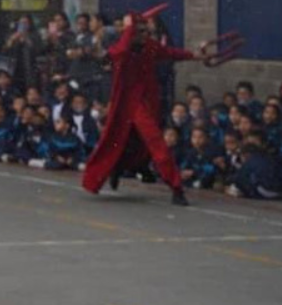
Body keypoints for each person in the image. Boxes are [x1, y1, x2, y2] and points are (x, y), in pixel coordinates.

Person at [81, 11, 206, 206]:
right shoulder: (120, 50)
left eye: (143, 30)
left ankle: (170, 185)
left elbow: (172, 53)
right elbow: (119, 51)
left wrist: (194, 55)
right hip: (127, 104)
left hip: (145, 104)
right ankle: (170, 184)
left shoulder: (149, 47)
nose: (144, 34)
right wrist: (130, 28)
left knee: (143, 143)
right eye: (138, 30)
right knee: (130, 142)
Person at [4, 16, 43, 95]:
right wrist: (12, 39)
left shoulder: (35, 36)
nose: (23, 25)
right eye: (21, 23)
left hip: (29, 71)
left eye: (25, 23)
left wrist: (26, 38)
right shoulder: (13, 35)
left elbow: (38, 51)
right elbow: (5, 50)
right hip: (15, 69)